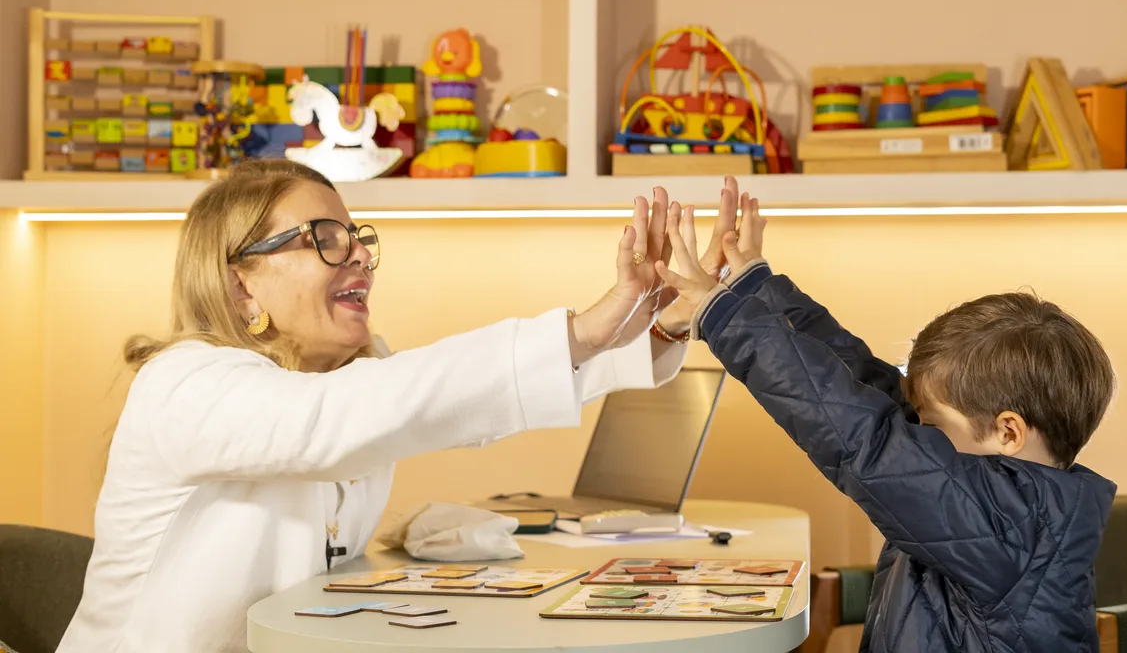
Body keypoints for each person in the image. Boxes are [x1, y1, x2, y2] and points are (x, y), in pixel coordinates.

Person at [58, 162, 741, 653]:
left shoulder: (350, 381)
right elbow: (354, 415)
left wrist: (663, 324)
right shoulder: (185, 384)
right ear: (241, 287)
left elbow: (453, 402)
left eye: (357, 236)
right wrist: (588, 325)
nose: (358, 254)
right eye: (324, 237)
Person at [656, 190, 1118, 653]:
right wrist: (757, 288)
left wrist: (726, 317)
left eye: (930, 425)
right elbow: (865, 394)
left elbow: (864, 439)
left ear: (1008, 432)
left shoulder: (1011, 523)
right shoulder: (1003, 499)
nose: (914, 431)